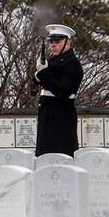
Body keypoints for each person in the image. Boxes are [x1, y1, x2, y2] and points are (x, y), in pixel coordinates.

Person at [33, 23, 84, 156]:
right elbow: (40, 85)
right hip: (48, 116)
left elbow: (63, 90)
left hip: (60, 118)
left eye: (57, 41)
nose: (52, 45)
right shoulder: (54, 61)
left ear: (67, 43)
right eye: (51, 42)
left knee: (59, 156)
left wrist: (43, 73)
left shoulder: (71, 63)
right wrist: (38, 76)